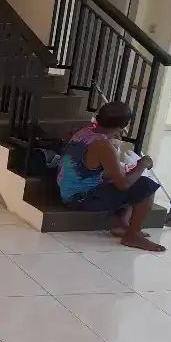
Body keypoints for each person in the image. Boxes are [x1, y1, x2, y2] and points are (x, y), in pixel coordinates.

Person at [57, 102, 164, 251]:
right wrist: (143, 164)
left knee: (128, 176)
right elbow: (124, 185)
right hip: (79, 198)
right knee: (146, 185)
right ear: (124, 125)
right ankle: (132, 236)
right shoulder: (104, 146)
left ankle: (122, 225)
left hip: (67, 191)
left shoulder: (85, 132)